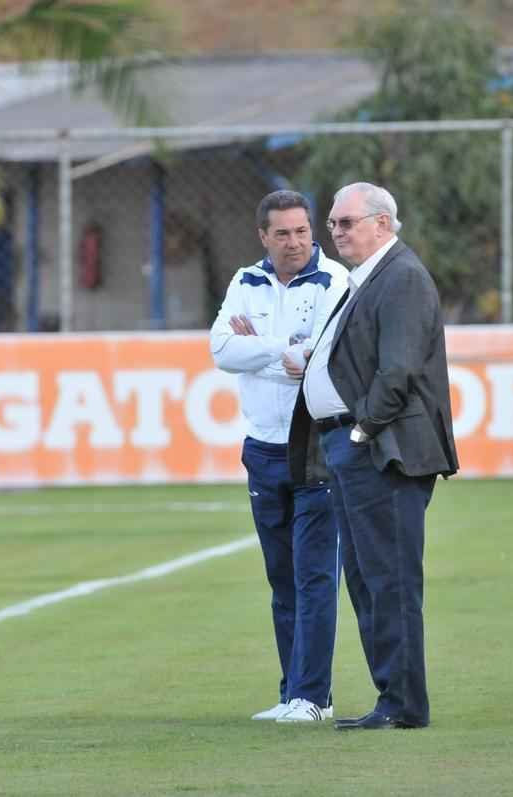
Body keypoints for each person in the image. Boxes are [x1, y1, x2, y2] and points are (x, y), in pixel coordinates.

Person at [285, 182, 458, 730]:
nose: (334, 233)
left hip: (382, 452)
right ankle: (393, 698)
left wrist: (360, 432)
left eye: (346, 223)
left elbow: (399, 370)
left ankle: (404, 704)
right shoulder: (370, 279)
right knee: (366, 579)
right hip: (356, 449)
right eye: (333, 224)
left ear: (382, 224)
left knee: (389, 580)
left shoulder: (401, 277)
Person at [210, 189, 348, 723]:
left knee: (315, 576)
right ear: (263, 236)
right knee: (282, 578)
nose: (296, 242)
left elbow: (323, 357)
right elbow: (223, 350)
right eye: (283, 233)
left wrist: (260, 347)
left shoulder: (335, 281)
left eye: (303, 231)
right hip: (262, 447)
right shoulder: (246, 281)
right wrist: (279, 349)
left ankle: (313, 697)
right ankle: (295, 691)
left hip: (316, 445)